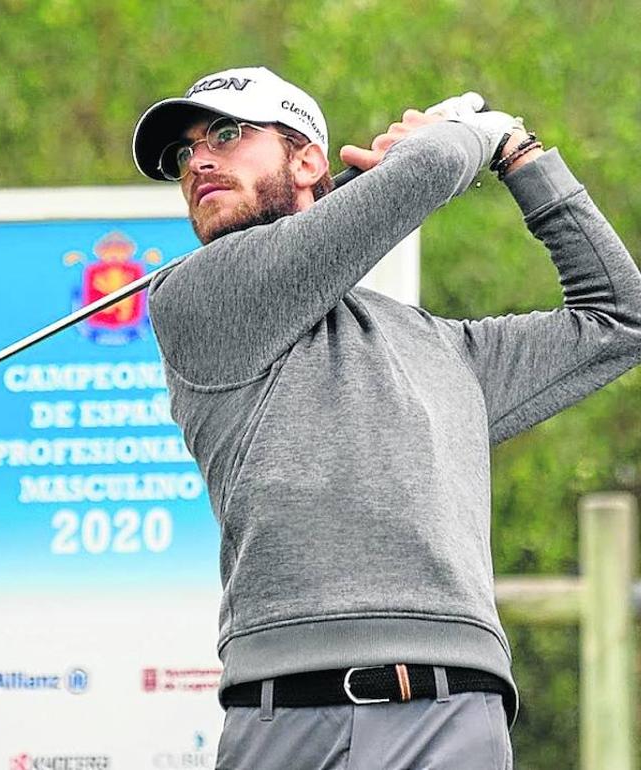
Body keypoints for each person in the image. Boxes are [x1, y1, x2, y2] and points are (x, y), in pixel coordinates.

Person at [130, 66, 641, 768]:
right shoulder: (194, 299)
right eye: (184, 154)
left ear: (307, 160)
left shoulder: (445, 349)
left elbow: (619, 317)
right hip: (285, 713)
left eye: (225, 134)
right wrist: (480, 131)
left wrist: (521, 157)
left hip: (454, 708)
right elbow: (427, 169)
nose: (199, 162)